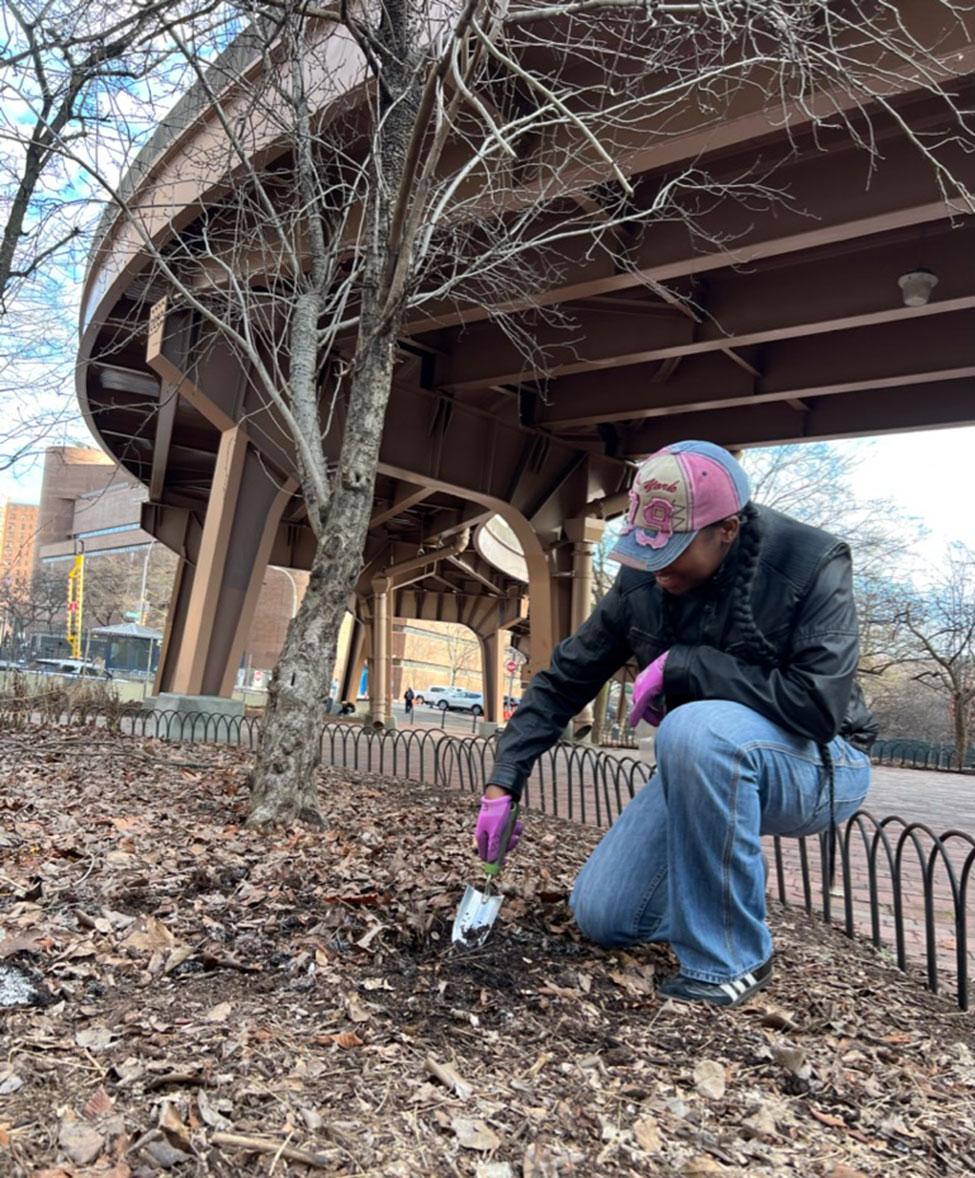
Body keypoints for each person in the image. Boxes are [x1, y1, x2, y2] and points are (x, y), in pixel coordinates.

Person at [473, 440, 876, 1007]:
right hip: (709, 761)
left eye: (674, 550)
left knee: (693, 729)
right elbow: (564, 679)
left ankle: (731, 957)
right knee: (605, 915)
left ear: (728, 529)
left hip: (821, 764)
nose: (656, 566)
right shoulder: (645, 577)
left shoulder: (811, 562)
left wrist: (689, 665)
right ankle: (706, 897)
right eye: (643, 547)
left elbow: (818, 706)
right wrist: (505, 779)